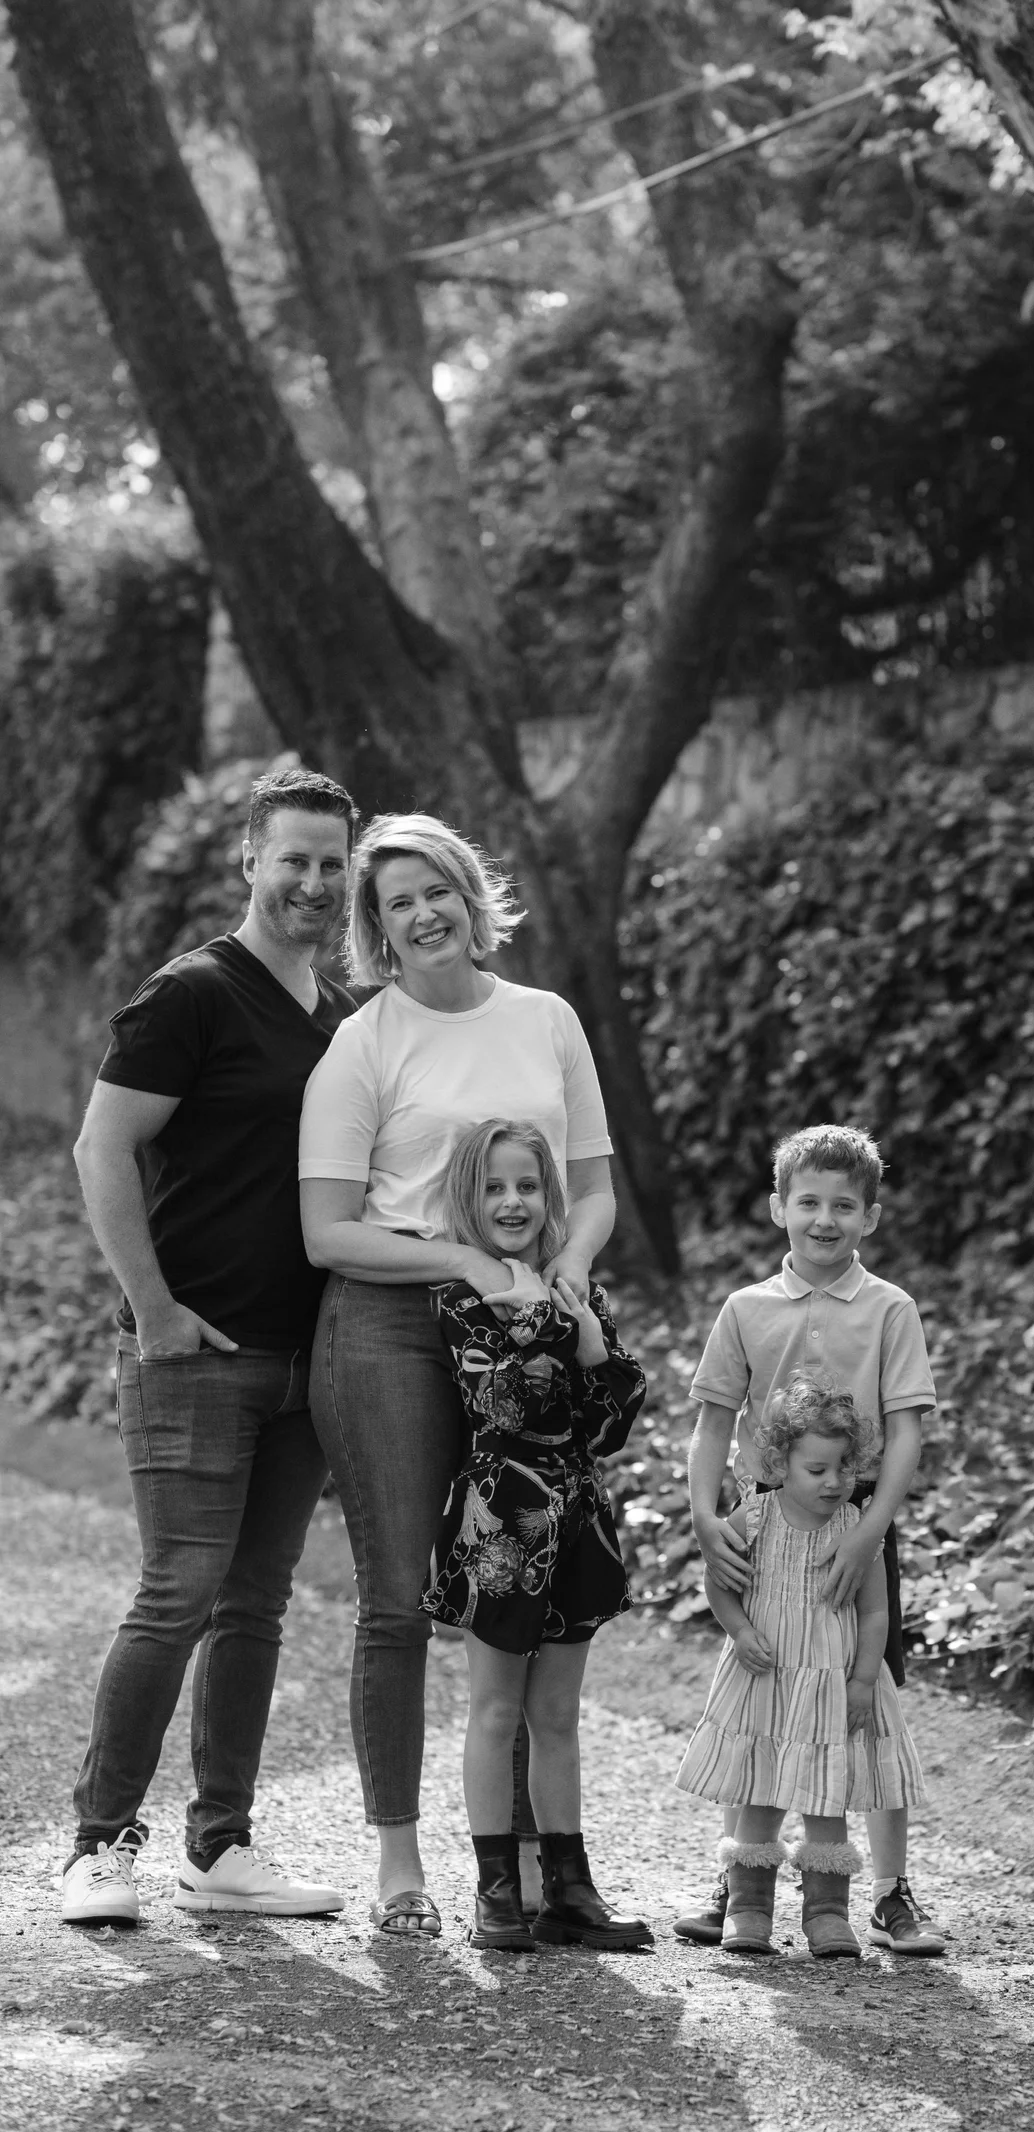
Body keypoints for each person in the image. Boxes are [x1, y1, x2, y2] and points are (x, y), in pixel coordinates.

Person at [299, 813, 617, 1938]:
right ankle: (400, 1865)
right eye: (398, 903)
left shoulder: (547, 1019)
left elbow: (592, 1188)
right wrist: (466, 1261)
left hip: (528, 1322)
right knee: (398, 1596)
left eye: (438, 889)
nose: (424, 913)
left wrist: (566, 1271)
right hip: (391, 1324)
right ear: (376, 929)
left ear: (470, 895)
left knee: (526, 1586)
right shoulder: (364, 1043)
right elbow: (328, 1230)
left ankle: (527, 1875)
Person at [61, 765, 359, 1928]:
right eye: (293, 859)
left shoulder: (341, 1015)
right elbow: (101, 1148)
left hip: (304, 1359)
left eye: (332, 863)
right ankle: (97, 1845)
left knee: (255, 1604)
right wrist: (154, 1307)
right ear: (249, 861)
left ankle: (220, 1844)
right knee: (178, 1592)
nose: (313, 882)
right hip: (197, 1354)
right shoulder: (191, 993)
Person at [675, 1123, 945, 1957]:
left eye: (843, 1206)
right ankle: (740, 1880)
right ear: (778, 1208)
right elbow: (713, 1419)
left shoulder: (890, 1308)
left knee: (869, 1705)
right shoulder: (745, 1309)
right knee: (762, 1696)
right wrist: (704, 1515)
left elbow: (906, 1429)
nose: (825, 1220)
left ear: (870, 1216)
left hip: (859, 1519)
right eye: (809, 1203)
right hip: (767, 1521)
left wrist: (871, 1532)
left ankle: (890, 1892)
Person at [419, 1117, 652, 1951]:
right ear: (468, 1199)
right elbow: (505, 1405)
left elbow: (613, 1419)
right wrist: (552, 1330)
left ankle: (569, 1891)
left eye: (527, 1186)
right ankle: (495, 1893)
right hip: (502, 1526)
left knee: (556, 1713)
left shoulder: (577, 1288)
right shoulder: (460, 1297)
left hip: (578, 1520)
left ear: (550, 1197)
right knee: (494, 1709)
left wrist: (586, 1338)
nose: (512, 1202)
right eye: (494, 1187)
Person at [676, 1372, 925, 1956]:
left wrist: (863, 1680)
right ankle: (747, 1910)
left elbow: (876, 1613)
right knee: (761, 1793)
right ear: (781, 1464)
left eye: (843, 1468)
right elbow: (719, 1582)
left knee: (825, 1798)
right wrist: (740, 1632)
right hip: (767, 1677)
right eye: (817, 1470)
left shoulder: (856, 1530)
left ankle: (827, 1915)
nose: (834, 1482)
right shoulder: (755, 1518)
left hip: (831, 1681)